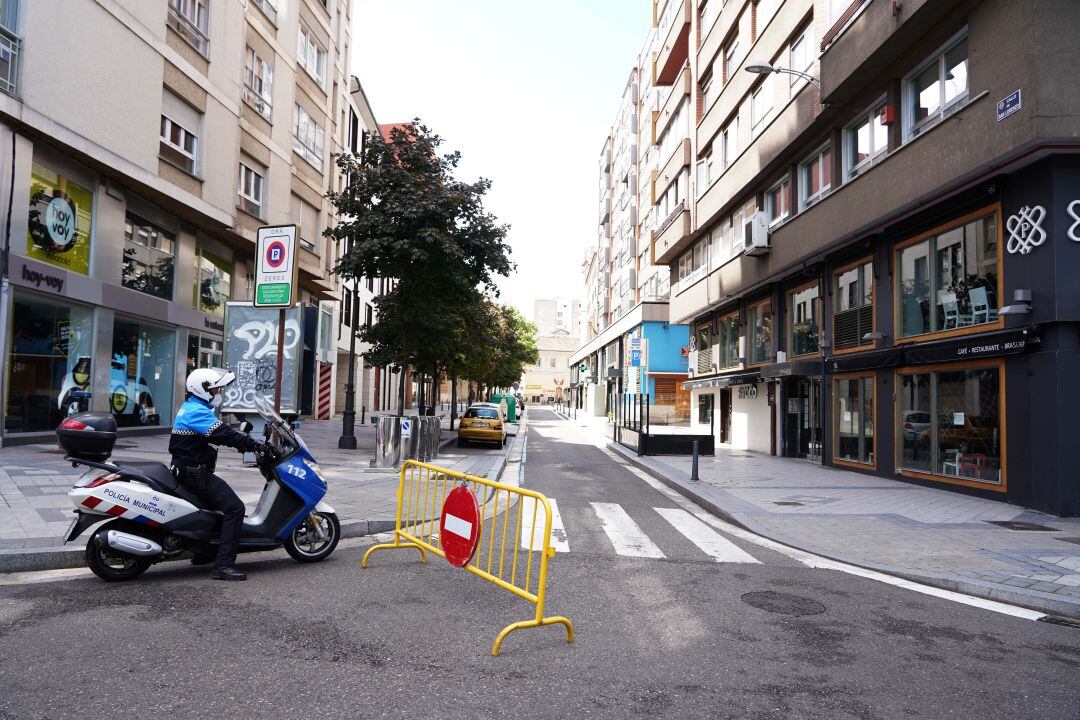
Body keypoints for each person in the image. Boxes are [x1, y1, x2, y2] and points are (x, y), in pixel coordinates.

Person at [170, 368, 262, 581]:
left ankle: (204, 553)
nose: (218, 392)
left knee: (213, 511)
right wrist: (252, 444)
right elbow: (222, 433)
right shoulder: (196, 412)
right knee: (235, 509)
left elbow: (220, 433)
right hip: (193, 473)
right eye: (215, 389)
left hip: (188, 470)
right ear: (202, 390)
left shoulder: (192, 407)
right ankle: (224, 566)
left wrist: (242, 442)